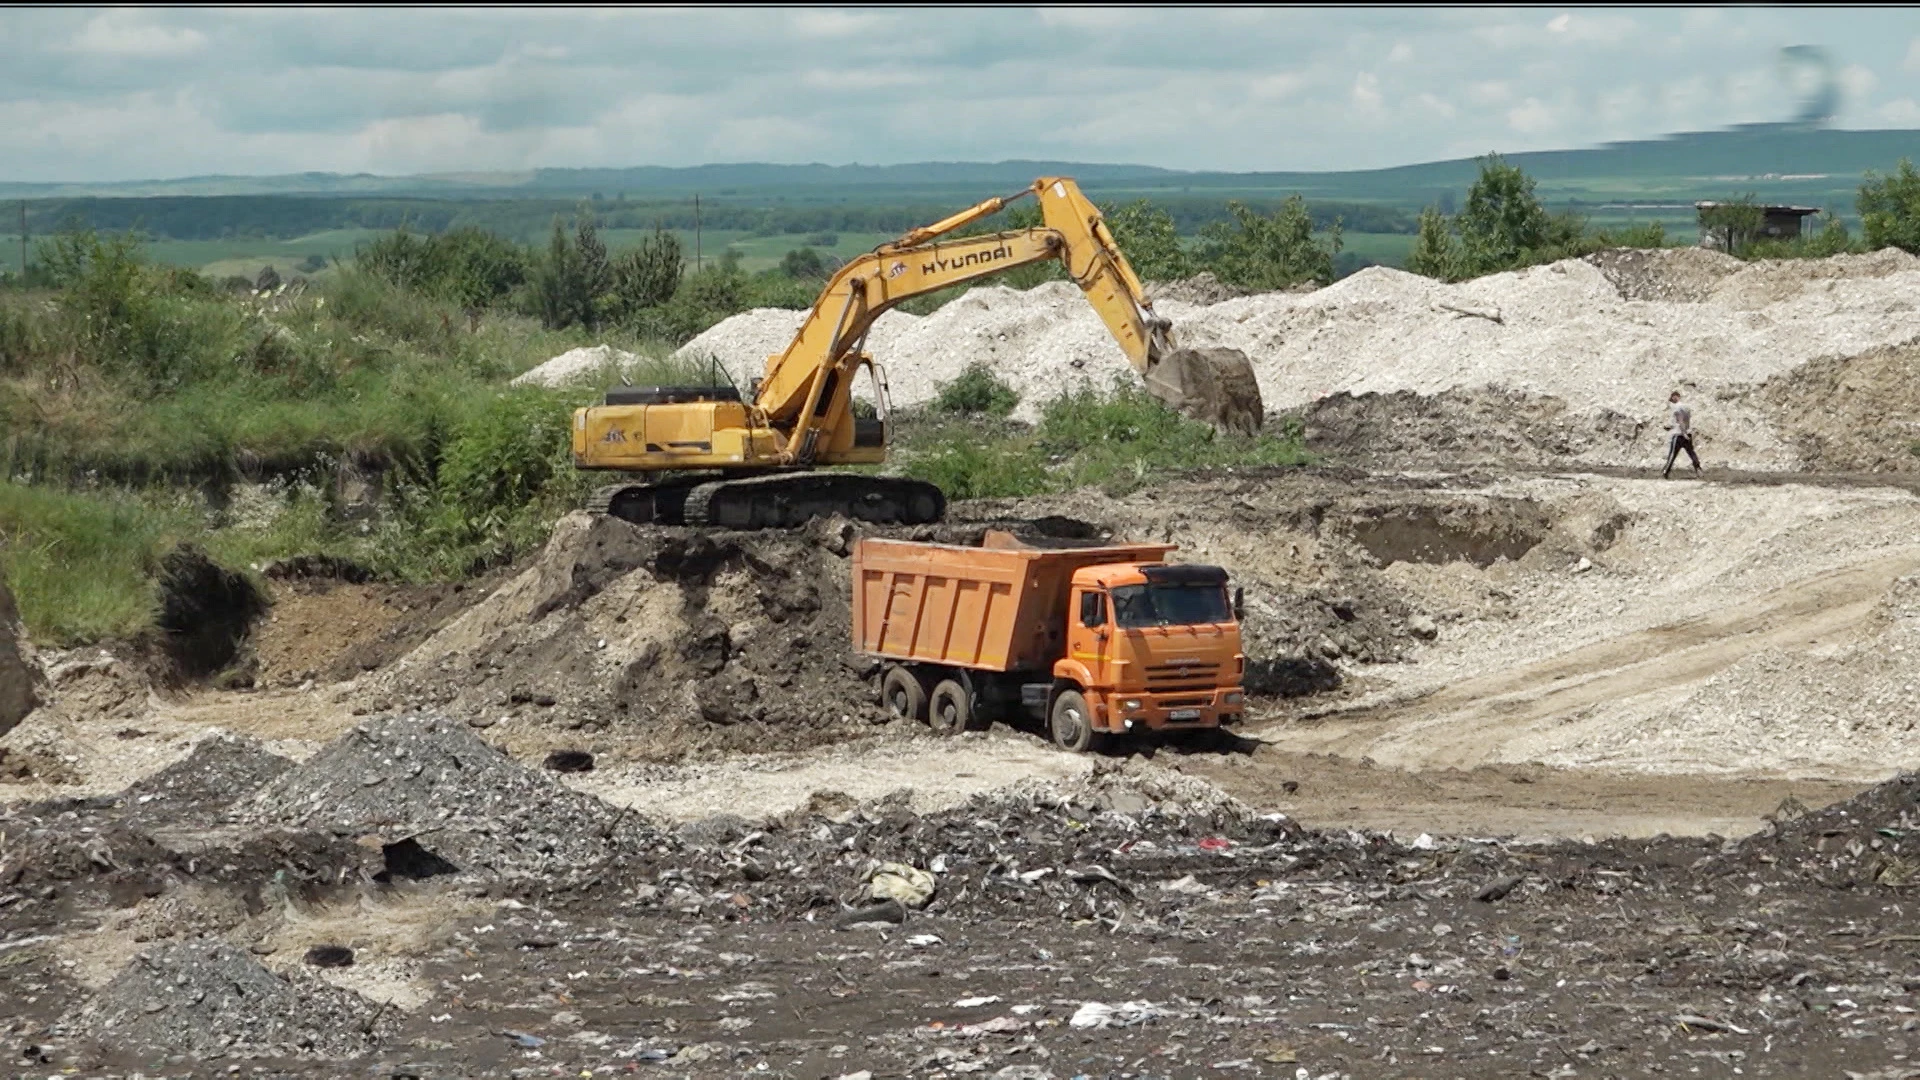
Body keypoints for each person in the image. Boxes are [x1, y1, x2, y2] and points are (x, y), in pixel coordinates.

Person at [1662, 390, 1701, 479]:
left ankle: (1665, 471)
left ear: (1675, 397)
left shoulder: (1677, 408)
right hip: (1688, 432)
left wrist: (1683, 433)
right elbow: (1686, 421)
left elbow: (1680, 421)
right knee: (1691, 453)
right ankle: (1698, 468)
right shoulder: (1687, 407)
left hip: (1679, 434)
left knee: (1672, 455)